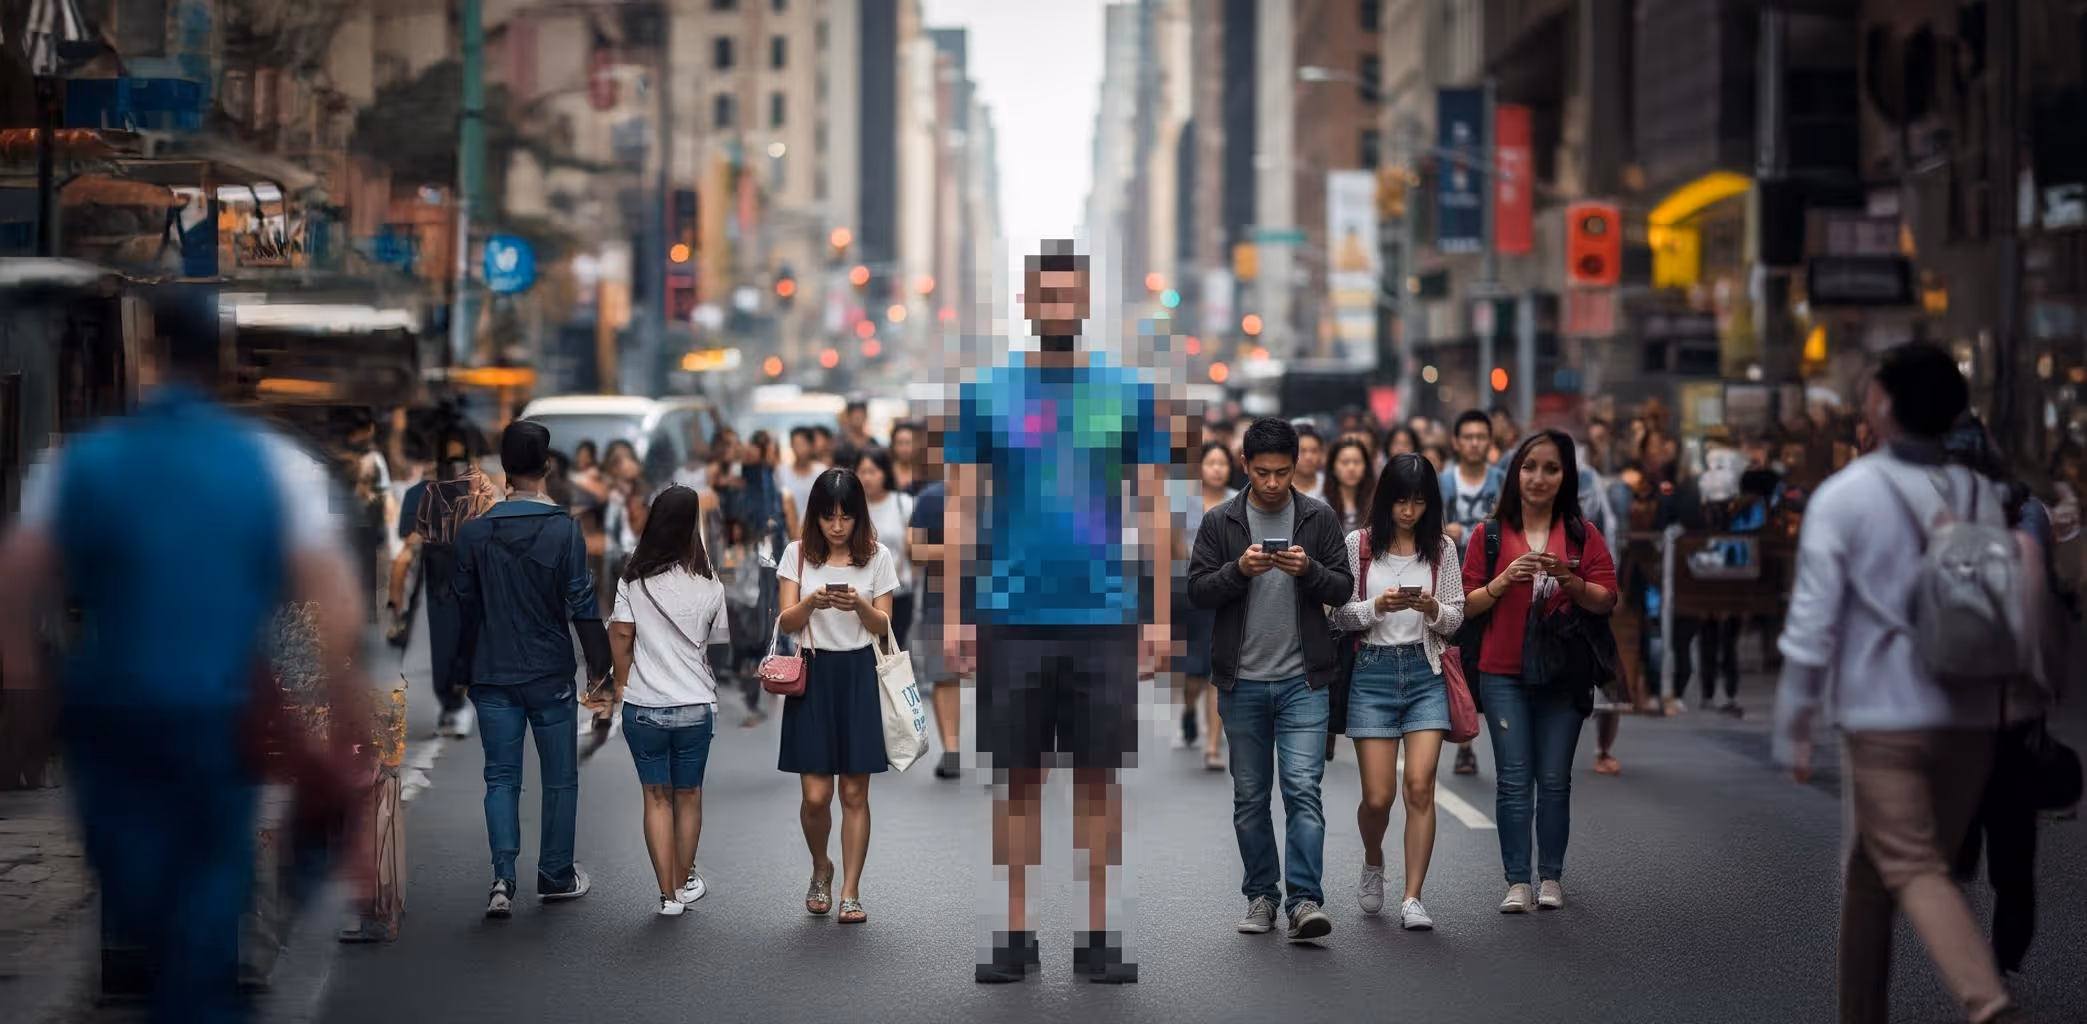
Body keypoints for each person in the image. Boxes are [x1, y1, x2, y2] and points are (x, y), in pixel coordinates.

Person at [0, 290, 374, 1023]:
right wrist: (332, 722)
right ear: (223, 364)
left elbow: (15, 583)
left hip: (108, 719)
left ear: (150, 355)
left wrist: (27, 697)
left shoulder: (80, 459)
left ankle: (161, 971)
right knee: (204, 905)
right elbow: (334, 611)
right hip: (217, 716)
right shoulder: (270, 464)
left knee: (137, 895)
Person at [949, 242, 1173, 985]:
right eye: (1042, 294)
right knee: (1014, 781)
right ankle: (1015, 935)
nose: (1054, 306)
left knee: (1098, 780)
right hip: (1008, 615)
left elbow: (1150, 504)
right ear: (1025, 301)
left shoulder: (1128, 392)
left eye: (1065, 294)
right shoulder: (984, 393)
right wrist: (955, 612)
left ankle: (1098, 934)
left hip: (1104, 614)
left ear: (1082, 301)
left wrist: (1158, 614)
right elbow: (960, 505)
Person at [1774, 343, 2019, 1024]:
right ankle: (1859, 1011)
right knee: (1873, 867)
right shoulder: (1977, 491)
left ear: (1881, 402)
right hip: (1971, 711)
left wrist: (1794, 725)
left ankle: (1988, 1002)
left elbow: (1812, 622)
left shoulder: (1847, 495)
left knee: (1907, 862)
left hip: (1883, 713)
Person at [1188, 417, 1354, 945]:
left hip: (1305, 680)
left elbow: (1345, 588)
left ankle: (1305, 900)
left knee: (1303, 789)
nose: (1274, 483)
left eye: (1283, 472)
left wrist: (1309, 571)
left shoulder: (1318, 518)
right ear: (1245, 467)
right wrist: (1239, 570)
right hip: (1242, 682)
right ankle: (1262, 895)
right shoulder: (1221, 520)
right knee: (1251, 796)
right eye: (1262, 473)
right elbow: (1197, 590)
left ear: (1298, 464)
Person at [452, 421, 613, 917]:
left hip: (491, 672)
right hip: (549, 673)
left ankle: (502, 879)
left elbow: (464, 608)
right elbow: (583, 603)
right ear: (546, 468)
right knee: (560, 778)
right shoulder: (564, 529)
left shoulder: (474, 533)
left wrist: (461, 672)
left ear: (504, 470)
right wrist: (600, 671)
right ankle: (555, 874)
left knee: (501, 778)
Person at [1459, 429, 1619, 914]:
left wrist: (1569, 580)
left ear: (1565, 475)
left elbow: (1607, 598)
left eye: (1551, 468)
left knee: (1554, 780)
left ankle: (1550, 876)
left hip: (1563, 674)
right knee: (1513, 779)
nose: (1539, 477)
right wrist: (1506, 579)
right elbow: (1465, 605)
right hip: (1501, 672)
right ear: (1515, 472)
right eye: (1530, 467)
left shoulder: (1581, 534)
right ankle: (1516, 881)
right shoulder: (1487, 534)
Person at [1331, 453, 1465, 931]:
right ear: (1385, 499)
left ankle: (1413, 897)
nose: (1409, 511)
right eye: (1401, 501)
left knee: (1420, 786)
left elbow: (1456, 617)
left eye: (1419, 502)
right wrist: (1375, 606)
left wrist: (1431, 608)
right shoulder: (1359, 545)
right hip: (1372, 673)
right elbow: (1339, 615)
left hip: (1425, 670)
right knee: (1378, 796)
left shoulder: (1443, 551)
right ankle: (1373, 859)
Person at [776, 468, 899, 926]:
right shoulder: (797, 556)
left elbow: (885, 625)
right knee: (814, 796)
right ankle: (821, 867)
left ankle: (850, 891)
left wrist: (859, 606)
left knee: (853, 792)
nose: (837, 526)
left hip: (859, 675)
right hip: (813, 673)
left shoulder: (878, 557)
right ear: (816, 516)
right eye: (829, 516)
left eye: (846, 516)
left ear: (859, 516)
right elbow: (786, 622)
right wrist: (811, 604)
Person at [603, 486, 730, 917]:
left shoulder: (632, 580)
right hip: (696, 705)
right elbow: (720, 644)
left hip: (645, 705)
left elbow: (620, 635)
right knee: (689, 795)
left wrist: (623, 684)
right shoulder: (710, 585)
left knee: (656, 797)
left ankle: (668, 896)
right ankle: (684, 879)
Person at [391, 427, 501, 738]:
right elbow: (409, 540)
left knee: (470, 644)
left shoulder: (483, 491)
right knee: (445, 646)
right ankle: (452, 705)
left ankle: (460, 702)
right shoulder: (421, 493)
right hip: (440, 580)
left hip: (477, 580)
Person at [1439, 410, 1504, 778]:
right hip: (1451, 582)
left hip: (1493, 582)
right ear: (1457, 441)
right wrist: (1443, 530)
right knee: (1459, 661)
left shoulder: (1502, 481)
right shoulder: (1442, 482)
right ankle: (1465, 744)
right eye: (1469, 436)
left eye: (1482, 436)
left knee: (1491, 658)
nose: (1476, 443)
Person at [1180, 441, 1239, 771]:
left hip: (1227, 593)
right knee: (1194, 674)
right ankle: (1189, 709)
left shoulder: (1239, 501)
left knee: (1219, 672)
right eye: (1210, 462)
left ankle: (1213, 746)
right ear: (1199, 467)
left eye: (1222, 463)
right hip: (1192, 597)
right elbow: (1171, 549)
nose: (1216, 468)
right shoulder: (1185, 504)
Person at [907, 468, 963, 778]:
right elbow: (913, 550)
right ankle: (951, 750)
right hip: (942, 600)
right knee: (945, 674)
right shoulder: (930, 499)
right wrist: (954, 550)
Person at [854, 447, 917, 648]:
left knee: (893, 650)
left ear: (885, 473)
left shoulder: (904, 503)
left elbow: (913, 548)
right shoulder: (851, 507)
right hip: (862, 592)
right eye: (862, 471)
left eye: (872, 471)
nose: (866, 477)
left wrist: (910, 577)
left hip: (899, 591)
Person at [1322, 438, 1375, 535]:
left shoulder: (1375, 502)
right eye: (1345, 462)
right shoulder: (1321, 503)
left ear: (1366, 467)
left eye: (1357, 462)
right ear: (1333, 467)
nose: (1351, 468)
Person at [781, 426, 830, 530]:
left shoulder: (821, 471)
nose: (799, 449)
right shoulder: (782, 471)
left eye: (803, 444)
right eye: (796, 444)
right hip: (788, 529)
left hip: (815, 528)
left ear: (811, 445)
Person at [890, 420, 927, 496]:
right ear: (893, 445)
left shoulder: (926, 471)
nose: (904, 448)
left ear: (917, 444)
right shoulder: (887, 470)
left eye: (908, 443)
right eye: (900, 443)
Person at [1292, 422, 1327, 502]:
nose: (1308, 457)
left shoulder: (1329, 486)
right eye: (1302, 451)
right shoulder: (1281, 486)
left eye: (1314, 451)